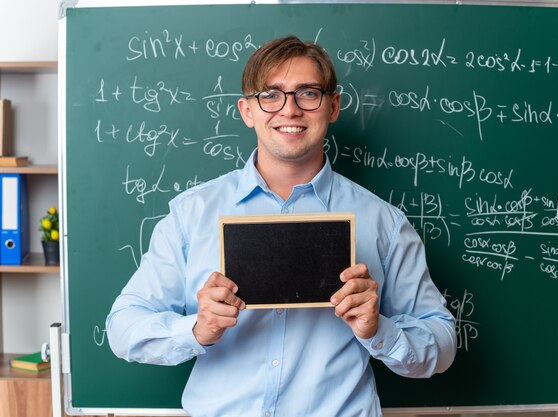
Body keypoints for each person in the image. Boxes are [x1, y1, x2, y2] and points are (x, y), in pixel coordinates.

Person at [106, 35, 456, 417]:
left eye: (308, 93)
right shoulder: (192, 215)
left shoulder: (383, 223)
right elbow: (124, 328)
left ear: (333, 105)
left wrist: (379, 330)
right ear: (247, 110)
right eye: (271, 95)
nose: (289, 110)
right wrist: (195, 329)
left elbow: (442, 347)